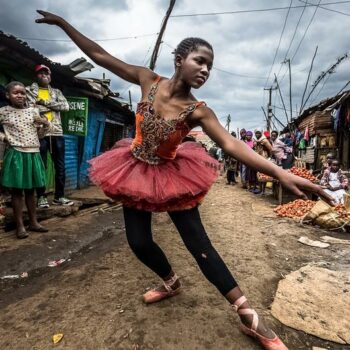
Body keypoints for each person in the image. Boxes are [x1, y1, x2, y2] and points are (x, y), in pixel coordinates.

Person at [36, 10, 331, 350]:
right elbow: (101, 56)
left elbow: (231, 144)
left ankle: (250, 316)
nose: (205, 69)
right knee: (139, 242)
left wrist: (279, 171)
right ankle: (171, 282)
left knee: (199, 245)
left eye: (210, 66)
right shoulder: (147, 79)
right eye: (200, 61)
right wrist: (63, 24)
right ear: (179, 59)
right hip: (133, 169)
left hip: (173, 175)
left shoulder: (199, 110)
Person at [0, 81, 49, 238]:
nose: (20, 95)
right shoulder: (3, 112)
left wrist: (45, 125)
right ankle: (20, 226)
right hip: (16, 153)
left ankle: (34, 223)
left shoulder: (33, 112)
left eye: (22, 92)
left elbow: (40, 135)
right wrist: (3, 138)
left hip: (33, 152)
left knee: (31, 191)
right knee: (17, 192)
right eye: (16, 93)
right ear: (8, 95)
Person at [26, 64, 73, 208]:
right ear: (36, 76)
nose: (44, 75)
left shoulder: (57, 92)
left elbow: (66, 107)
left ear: (50, 76)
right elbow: (30, 109)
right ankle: (41, 197)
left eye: (46, 73)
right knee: (42, 166)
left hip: (57, 132)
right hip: (39, 133)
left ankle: (59, 196)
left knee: (60, 166)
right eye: (40, 73)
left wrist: (44, 102)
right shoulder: (29, 90)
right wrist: (52, 106)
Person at [254, 129, 272, 195]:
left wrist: (269, 157)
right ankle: (260, 189)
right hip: (258, 158)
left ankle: (263, 190)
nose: (257, 134)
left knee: (263, 174)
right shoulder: (256, 140)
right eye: (256, 133)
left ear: (261, 133)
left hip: (264, 158)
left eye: (259, 133)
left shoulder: (264, 140)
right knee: (258, 174)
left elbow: (271, 149)